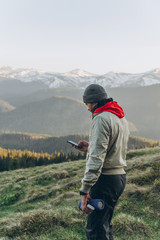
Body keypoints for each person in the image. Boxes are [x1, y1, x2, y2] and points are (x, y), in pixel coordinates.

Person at [75, 84, 129, 240]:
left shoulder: (101, 119)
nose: (87, 108)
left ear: (96, 102)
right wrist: (90, 146)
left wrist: (85, 190)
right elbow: (113, 147)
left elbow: (97, 158)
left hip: (104, 179)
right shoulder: (120, 117)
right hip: (119, 178)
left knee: (96, 230)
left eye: (88, 103)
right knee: (105, 225)